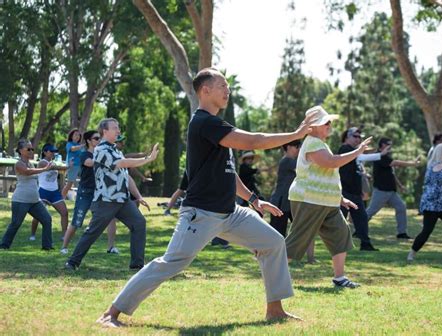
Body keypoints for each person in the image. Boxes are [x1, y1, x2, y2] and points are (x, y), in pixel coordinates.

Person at [96, 67, 317, 327]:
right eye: (222, 85)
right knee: (171, 263)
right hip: (201, 214)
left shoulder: (216, 126)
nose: (227, 90)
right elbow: (254, 141)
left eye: (227, 86)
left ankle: (275, 310)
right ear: (205, 90)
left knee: (273, 242)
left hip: (230, 214)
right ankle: (111, 313)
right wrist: (296, 134)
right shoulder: (204, 122)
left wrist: (254, 200)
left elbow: (229, 172)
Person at [285, 106, 371, 289]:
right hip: (309, 199)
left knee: (341, 234)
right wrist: (358, 152)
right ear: (314, 126)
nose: (329, 125)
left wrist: (340, 199)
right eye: (326, 122)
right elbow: (331, 163)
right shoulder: (313, 143)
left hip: (326, 201)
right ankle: (272, 272)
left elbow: (326, 175)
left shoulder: (320, 143)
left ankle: (340, 278)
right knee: (298, 240)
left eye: (329, 122)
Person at [65, 118, 156, 270]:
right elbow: (122, 163)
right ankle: (73, 262)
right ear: (105, 131)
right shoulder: (101, 150)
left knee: (139, 223)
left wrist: (138, 196)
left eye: (118, 128)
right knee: (93, 232)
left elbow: (125, 176)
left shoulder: (116, 150)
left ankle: (137, 265)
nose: (118, 131)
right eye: (115, 128)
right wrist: (148, 159)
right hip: (105, 201)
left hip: (122, 200)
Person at [60, 131, 125, 255]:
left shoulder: (102, 153)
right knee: (77, 221)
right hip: (85, 192)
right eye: (96, 138)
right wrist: (104, 158)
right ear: (88, 141)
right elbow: (89, 163)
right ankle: (64, 247)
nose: (99, 140)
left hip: (100, 191)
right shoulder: (85, 154)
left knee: (111, 218)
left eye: (99, 138)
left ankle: (111, 247)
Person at [338, 127, 390, 251]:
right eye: (355, 136)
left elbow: (358, 162)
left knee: (361, 218)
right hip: (345, 192)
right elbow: (360, 157)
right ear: (347, 137)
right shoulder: (345, 149)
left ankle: (365, 244)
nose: (358, 139)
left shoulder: (353, 151)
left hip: (355, 193)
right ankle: (338, 245)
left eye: (359, 137)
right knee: (339, 221)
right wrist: (380, 154)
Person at [0, 139, 54, 250]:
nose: (31, 151)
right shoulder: (19, 164)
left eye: (32, 149)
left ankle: (47, 247)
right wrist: (44, 169)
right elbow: (27, 171)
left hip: (35, 201)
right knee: (16, 224)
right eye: (28, 149)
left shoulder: (31, 163)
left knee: (47, 219)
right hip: (20, 200)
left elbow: (33, 182)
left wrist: (40, 198)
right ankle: (4, 246)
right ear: (20, 151)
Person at [269, 140, 316, 263]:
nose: (299, 149)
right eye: (297, 146)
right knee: (277, 234)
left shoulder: (293, 161)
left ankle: (311, 258)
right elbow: (305, 169)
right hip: (281, 202)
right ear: (288, 147)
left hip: (292, 201)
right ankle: (268, 256)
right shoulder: (287, 161)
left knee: (306, 229)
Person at [366, 137, 421, 239]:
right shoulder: (379, 156)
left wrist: (400, 186)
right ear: (382, 145)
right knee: (371, 211)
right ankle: (358, 229)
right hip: (381, 191)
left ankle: (402, 233)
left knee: (401, 207)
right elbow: (395, 163)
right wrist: (412, 164)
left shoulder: (385, 156)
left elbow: (392, 173)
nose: (391, 146)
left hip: (391, 191)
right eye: (389, 144)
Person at [30, 144, 68, 242]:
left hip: (54, 192)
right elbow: (52, 168)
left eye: (54, 151)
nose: (53, 153)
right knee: (38, 216)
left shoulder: (53, 162)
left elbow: (59, 172)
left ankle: (64, 236)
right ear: (45, 152)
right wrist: (68, 166)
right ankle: (32, 235)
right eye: (51, 151)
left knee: (64, 213)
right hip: (43, 191)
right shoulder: (42, 162)